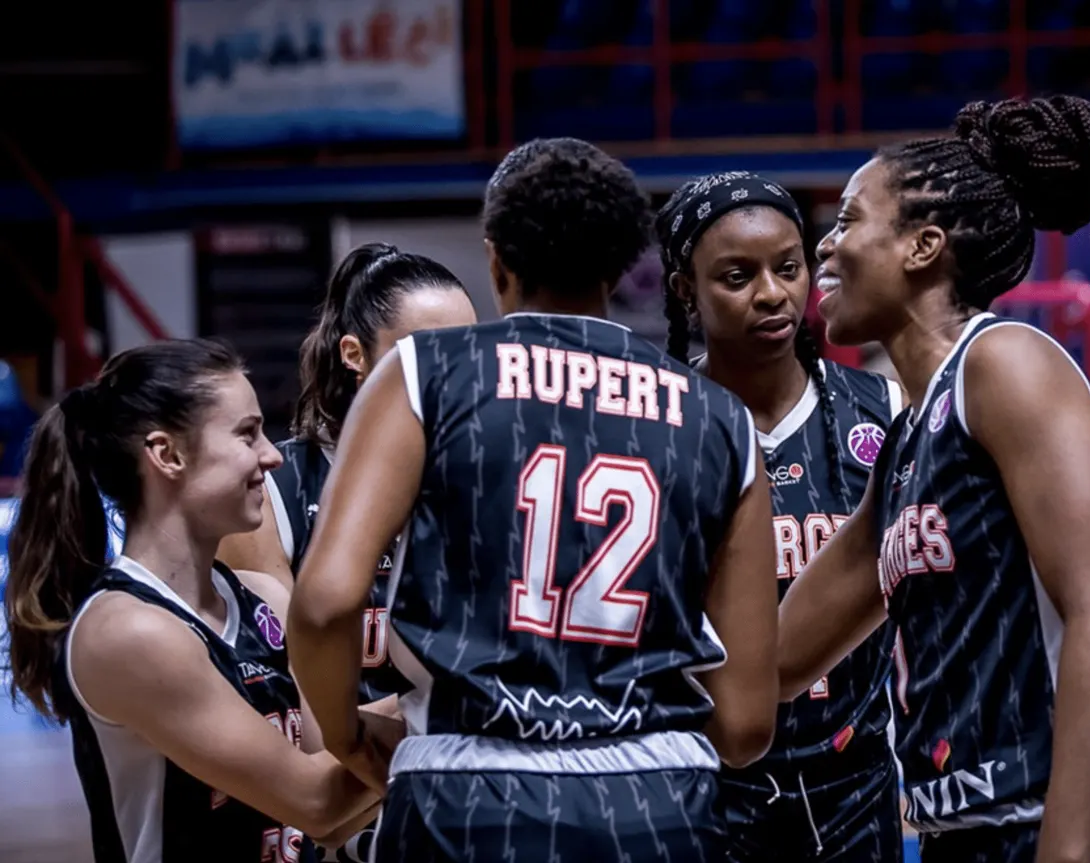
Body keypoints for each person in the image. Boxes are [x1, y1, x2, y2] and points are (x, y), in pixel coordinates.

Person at [285, 137, 780, 863]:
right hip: (659, 805)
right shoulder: (720, 417)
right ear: (620, 267)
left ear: (496, 261)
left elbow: (325, 603)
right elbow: (744, 726)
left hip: (466, 797)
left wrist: (348, 737)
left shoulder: (425, 372)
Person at [780, 95, 1090, 863]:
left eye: (849, 220)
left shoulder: (1003, 362)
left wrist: (1064, 854)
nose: (825, 245)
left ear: (923, 245)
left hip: (1063, 827)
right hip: (961, 836)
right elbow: (778, 660)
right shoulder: (905, 443)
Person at [3, 340, 388, 863]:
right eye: (247, 434)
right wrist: (452, 701)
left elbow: (339, 773)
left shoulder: (265, 596)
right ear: (168, 455)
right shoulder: (127, 631)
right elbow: (316, 802)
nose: (272, 455)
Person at [657, 171, 904, 862]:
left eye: (789, 268)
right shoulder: (658, 421)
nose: (772, 294)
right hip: (705, 782)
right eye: (737, 277)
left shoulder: (884, 410)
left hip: (855, 787)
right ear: (685, 289)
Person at [216, 243, 476, 862]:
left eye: (466, 354)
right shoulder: (273, 492)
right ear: (355, 355)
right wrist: (451, 712)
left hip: (470, 803)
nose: (452, 378)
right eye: (424, 356)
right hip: (344, 816)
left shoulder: (491, 480)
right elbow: (289, 722)